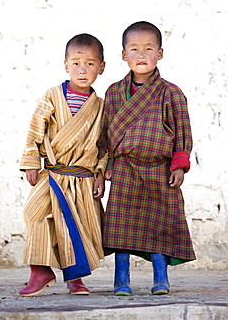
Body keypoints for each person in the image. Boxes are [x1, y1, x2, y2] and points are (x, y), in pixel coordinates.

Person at [98, 21, 196, 296]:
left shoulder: (171, 93)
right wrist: (104, 167)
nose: (141, 55)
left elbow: (183, 132)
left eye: (149, 49)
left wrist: (179, 166)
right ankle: (121, 279)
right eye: (134, 49)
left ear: (160, 54)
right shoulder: (115, 92)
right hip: (125, 168)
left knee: (161, 224)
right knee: (120, 227)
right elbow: (104, 135)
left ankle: (161, 278)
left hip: (160, 169)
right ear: (123, 54)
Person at [19, 33, 107, 297]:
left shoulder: (101, 107)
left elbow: (105, 144)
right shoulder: (53, 96)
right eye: (77, 63)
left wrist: (100, 173)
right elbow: (36, 129)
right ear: (65, 65)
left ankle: (75, 279)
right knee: (33, 214)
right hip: (54, 174)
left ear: (101, 68)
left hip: (82, 178)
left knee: (74, 228)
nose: (83, 69)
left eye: (90, 64)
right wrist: (31, 162)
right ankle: (41, 272)